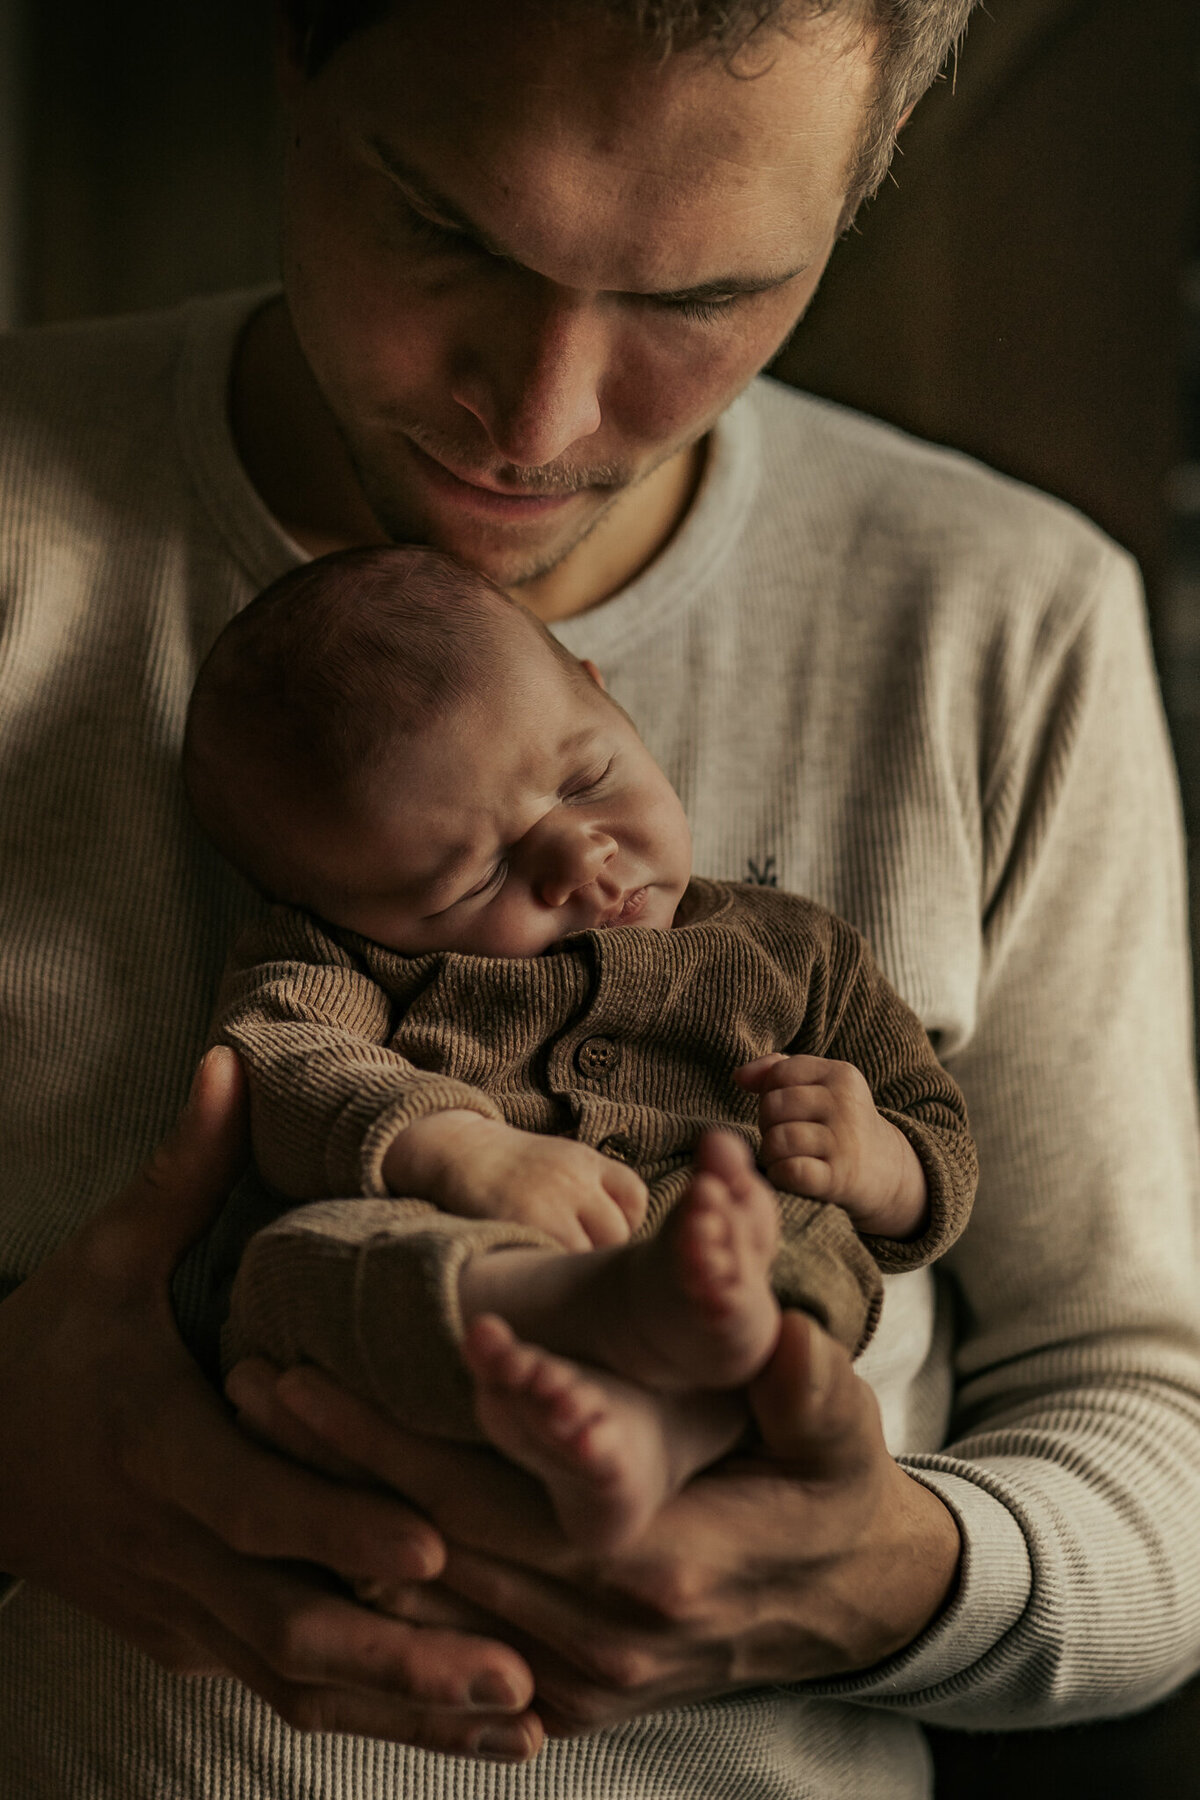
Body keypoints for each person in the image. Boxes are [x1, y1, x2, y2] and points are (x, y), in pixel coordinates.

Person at [0, 0, 1198, 1795]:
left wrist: (880, 1581)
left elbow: (1157, 1445)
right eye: (448, 229)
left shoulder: (1005, 626)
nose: (540, 416)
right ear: (289, 52)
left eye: (701, 300)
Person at [181, 541, 975, 1552]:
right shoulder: (349, 960)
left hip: (719, 1261)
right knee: (291, 1266)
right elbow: (283, 1057)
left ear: (607, 697)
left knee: (803, 1235)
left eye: (589, 776)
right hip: (469, 1300)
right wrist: (462, 1151)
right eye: (472, 880)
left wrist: (882, 1161)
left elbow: (937, 1129)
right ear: (342, 910)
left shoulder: (795, 955)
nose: (577, 858)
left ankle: (669, 1426)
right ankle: (572, 1327)